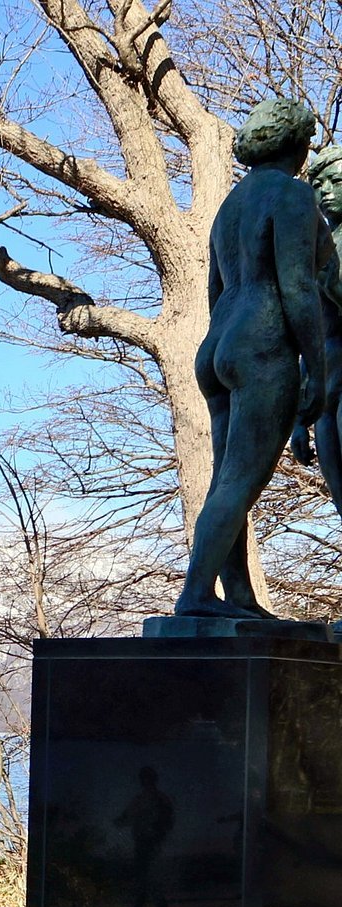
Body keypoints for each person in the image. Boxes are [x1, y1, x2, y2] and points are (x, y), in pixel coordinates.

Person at [175, 99, 331, 619]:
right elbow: (298, 288)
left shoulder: (230, 206)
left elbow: (215, 289)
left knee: (226, 479)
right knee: (242, 482)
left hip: (218, 345)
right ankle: (196, 596)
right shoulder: (291, 195)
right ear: (299, 145)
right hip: (263, 345)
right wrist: (317, 366)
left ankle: (237, 596)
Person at [294, 147, 342, 515]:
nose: (325, 192)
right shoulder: (321, 246)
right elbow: (309, 335)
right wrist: (299, 419)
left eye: (336, 182)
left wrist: (330, 279)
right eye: (318, 185)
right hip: (325, 396)